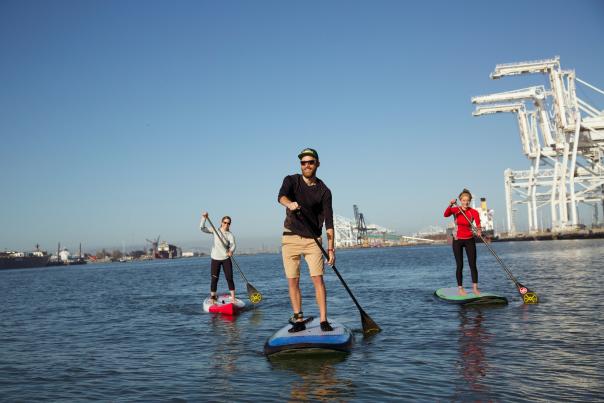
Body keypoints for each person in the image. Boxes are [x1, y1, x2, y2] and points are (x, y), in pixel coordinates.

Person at [278, 148, 335, 333]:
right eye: (303, 162)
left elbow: (329, 222)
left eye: (310, 162)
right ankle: (299, 319)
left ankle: (323, 320)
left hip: (313, 240)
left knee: (317, 279)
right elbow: (281, 197)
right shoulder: (291, 180)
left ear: (317, 164)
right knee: (293, 281)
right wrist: (289, 203)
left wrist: (331, 249)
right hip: (290, 237)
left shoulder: (324, 191)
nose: (307, 165)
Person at [444, 189, 482, 296]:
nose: (466, 202)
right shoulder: (456, 210)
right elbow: (445, 214)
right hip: (457, 240)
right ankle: (460, 288)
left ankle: (475, 288)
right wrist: (450, 205)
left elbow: (478, 224)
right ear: (460, 200)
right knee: (460, 265)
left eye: (468, 200)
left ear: (469, 201)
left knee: (472, 265)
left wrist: (479, 230)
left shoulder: (473, 212)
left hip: (470, 239)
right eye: (464, 200)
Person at [200, 212, 236, 304]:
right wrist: (204, 218)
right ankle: (213, 297)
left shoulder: (230, 235)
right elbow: (202, 229)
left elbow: (233, 244)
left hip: (226, 258)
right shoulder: (215, 230)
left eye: (228, 223)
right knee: (214, 279)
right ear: (221, 222)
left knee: (229, 277)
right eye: (225, 222)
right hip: (215, 258)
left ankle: (233, 297)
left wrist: (231, 251)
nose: (226, 224)